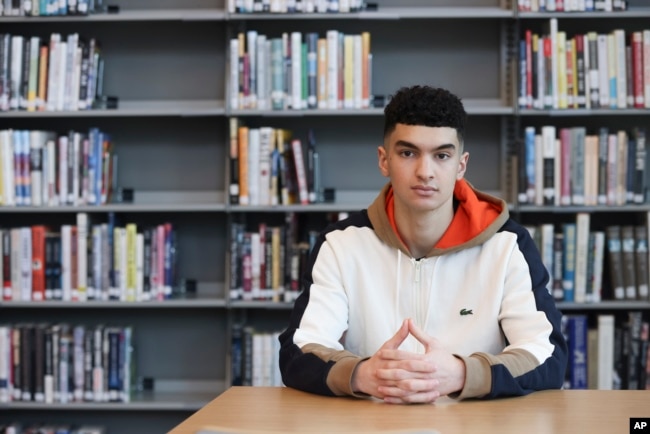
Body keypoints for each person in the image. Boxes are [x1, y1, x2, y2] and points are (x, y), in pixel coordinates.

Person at [278, 85, 567, 403]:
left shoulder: (508, 246)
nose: (425, 172)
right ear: (384, 160)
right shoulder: (340, 245)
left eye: (442, 155)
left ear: (461, 164)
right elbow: (298, 350)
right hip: (373, 426)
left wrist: (461, 374)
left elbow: (548, 356)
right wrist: (361, 374)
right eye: (407, 153)